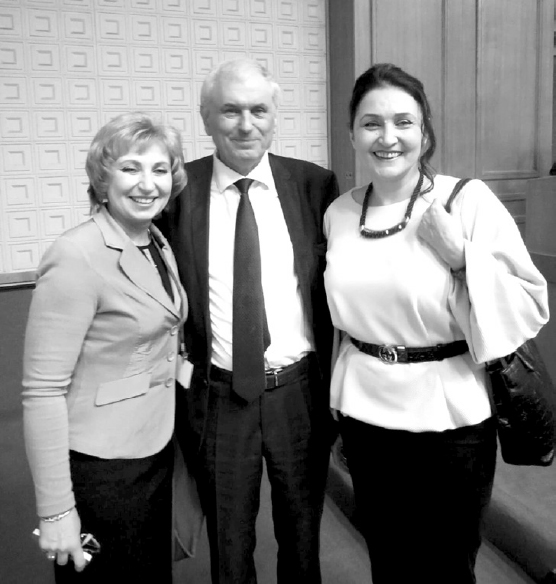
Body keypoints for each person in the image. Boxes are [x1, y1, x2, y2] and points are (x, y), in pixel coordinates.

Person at [324, 63, 549, 584]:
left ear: (425, 132)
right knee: (387, 558)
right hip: (366, 417)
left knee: (447, 566)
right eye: (371, 123)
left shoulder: (466, 200)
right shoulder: (338, 214)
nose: (388, 137)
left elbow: (530, 302)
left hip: (451, 420)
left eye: (403, 122)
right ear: (352, 134)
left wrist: (462, 255)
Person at [157, 58, 340, 584]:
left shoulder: (313, 185)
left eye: (258, 110)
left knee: (302, 539)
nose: (245, 125)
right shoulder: (177, 191)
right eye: (230, 111)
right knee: (229, 546)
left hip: (298, 396)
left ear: (275, 115)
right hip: (218, 398)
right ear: (206, 117)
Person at [22, 112, 189, 583]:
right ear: (102, 178)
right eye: (130, 168)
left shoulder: (155, 240)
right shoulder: (77, 254)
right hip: (100, 467)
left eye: (160, 169)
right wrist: (57, 511)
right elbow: (42, 392)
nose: (147, 184)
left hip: (153, 448)